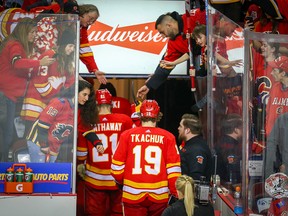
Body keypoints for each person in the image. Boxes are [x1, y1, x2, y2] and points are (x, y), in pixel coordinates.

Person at [111, 99, 181, 216]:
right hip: (159, 196)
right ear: (158, 116)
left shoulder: (126, 135)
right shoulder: (169, 137)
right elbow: (174, 171)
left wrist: (122, 183)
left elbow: (116, 169)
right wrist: (175, 193)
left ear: (140, 115)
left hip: (132, 195)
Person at [0, 17, 55, 161]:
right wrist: (39, 62)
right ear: (24, 32)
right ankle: (3, 166)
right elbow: (17, 63)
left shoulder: (15, 45)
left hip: (9, 96)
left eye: (35, 32)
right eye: (31, 32)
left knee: (8, 134)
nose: (34, 35)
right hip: (5, 95)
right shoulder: (15, 45)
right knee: (6, 135)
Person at [77, 89, 133, 216]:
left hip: (94, 179)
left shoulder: (86, 123)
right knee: (118, 213)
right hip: (118, 178)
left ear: (95, 104)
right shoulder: (125, 120)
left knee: (95, 213)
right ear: (111, 104)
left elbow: (81, 154)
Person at [137, 9, 206, 99]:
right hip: (204, 69)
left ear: (169, 25)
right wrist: (148, 86)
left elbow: (215, 18)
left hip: (216, 52)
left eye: (162, 32)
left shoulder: (190, 17)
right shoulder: (172, 44)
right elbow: (165, 65)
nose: (162, 36)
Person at [20, 29, 76, 134]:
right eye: (70, 46)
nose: (72, 49)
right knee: (31, 138)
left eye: (73, 47)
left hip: (48, 103)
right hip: (36, 102)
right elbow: (40, 83)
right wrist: (56, 94)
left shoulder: (66, 60)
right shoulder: (50, 55)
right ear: (63, 45)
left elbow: (70, 81)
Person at [26, 82, 76, 163]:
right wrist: (44, 145)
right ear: (76, 93)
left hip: (54, 146)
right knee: (39, 173)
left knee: (48, 173)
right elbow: (43, 124)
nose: (86, 98)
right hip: (38, 142)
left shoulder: (76, 110)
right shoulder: (59, 102)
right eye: (84, 94)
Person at [178, 114, 212, 181]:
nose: (178, 128)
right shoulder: (191, 145)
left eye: (180, 126)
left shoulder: (197, 149)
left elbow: (196, 178)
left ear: (187, 130)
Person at [78, 4, 107, 84]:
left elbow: (85, 50)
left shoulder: (82, 29)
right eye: (90, 18)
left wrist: (95, 69)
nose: (90, 22)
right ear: (82, 13)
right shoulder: (65, 21)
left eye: (93, 21)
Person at [215, 114, 242, 186]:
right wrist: (236, 183)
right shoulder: (231, 145)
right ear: (236, 130)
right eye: (242, 128)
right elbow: (232, 169)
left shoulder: (221, 142)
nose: (244, 131)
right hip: (228, 185)